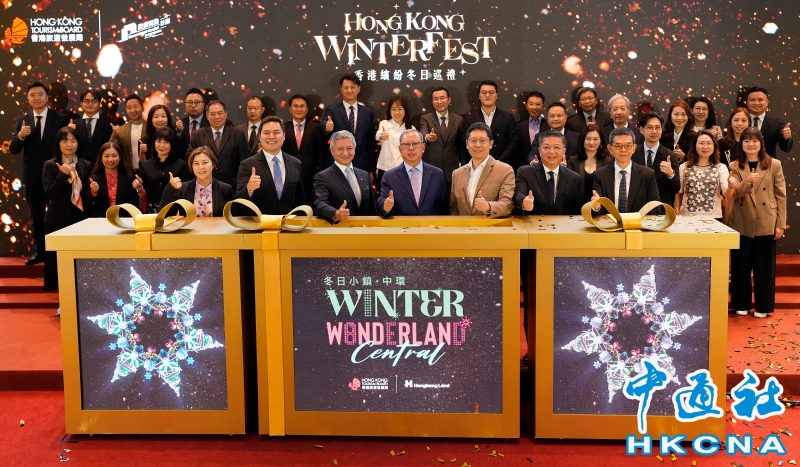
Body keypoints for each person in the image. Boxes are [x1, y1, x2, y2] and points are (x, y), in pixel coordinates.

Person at [728, 127, 786, 318]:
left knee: (764, 267)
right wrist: (747, 181)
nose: (750, 144)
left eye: (754, 140)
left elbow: (781, 196)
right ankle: (741, 303)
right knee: (740, 266)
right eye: (746, 141)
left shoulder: (774, 164)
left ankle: (763, 306)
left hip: (766, 220)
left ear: (761, 143)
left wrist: (780, 224)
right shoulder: (734, 165)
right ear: (741, 144)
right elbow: (735, 193)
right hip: (742, 220)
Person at [9, 81, 69, 265]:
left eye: (40, 94)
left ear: (47, 97)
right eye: (33, 95)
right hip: (33, 176)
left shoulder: (60, 118)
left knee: (58, 214)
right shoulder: (23, 120)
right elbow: (13, 149)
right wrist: (21, 135)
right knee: (36, 215)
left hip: (55, 175)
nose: (37, 98)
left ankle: (58, 251)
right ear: (28, 98)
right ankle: (39, 252)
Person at [42, 127, 91, 290]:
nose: (69, 144)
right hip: (57, 219)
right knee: (57, 259)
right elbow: (50, 194)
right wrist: (62, 174)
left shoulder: (85, 164)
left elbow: (86, 195)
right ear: (58, 144)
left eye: (73, 140)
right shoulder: (50, 165)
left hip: (79, 218)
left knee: (79, 257)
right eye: (65, 141)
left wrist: (93, 192)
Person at [237, 116, 305, 214]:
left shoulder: (296, 164)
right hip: (259, 221)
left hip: (289, 221)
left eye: (276, 132)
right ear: (260, 136)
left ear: (284, 135)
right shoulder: (247, 165)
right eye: (266, 133)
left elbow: (300, 200)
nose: (271, 136)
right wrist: (249, 189)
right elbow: (238, 202)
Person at [377, 129, 448, 216]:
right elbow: (382, 202)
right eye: (406, 144)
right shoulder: (390, 176)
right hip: (401, 224)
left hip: (431, 224)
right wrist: (385, 207)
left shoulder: (437, 174)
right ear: (400, 149)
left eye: (415, 144)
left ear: (423, 147)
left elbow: (444, 208)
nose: (411, 148)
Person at [450, 122, 515, 217]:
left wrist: (488, 206)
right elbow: (454, 208)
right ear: (467, 144)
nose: (477, 145)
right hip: (463, 226)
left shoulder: (505, 170)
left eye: (482, 140)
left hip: (490, 225)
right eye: (473, 140)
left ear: (491, 143)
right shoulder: (457, 173)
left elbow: (508, 205)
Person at [591, 127, 660, 213]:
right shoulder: (600, 175)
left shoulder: (647, 174)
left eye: (628, 146)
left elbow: (655, 209)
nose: (623, 150)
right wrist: (596, 207)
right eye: (618, 146)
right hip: (610, 221)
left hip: (638, 221)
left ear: (634, 148)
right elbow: (598, 210)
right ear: (610, 149)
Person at [313, 130, 376, 224]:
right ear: (332, 151)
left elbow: (371, 208)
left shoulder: (364, 175)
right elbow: (320, 205)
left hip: (364, 229)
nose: (345, 153)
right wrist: (336, 214)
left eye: (349, 148)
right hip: (339, 229)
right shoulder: (323, 177)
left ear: (355, 149)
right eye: (340, 149)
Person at [515, 130, 583, 215]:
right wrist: (524, 202)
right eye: (546, 147)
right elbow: (519, 194)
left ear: (564, 151)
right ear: (539, 150)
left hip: (563, 223)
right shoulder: (525, 172)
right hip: (534, 222)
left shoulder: (574, 178)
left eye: (557, 147)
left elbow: (579, 209)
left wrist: (595, 208)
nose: (551, 151)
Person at [186, 100, 250, 188]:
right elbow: (190, 159)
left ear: (226, 114)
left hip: (231, 185)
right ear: (207, 116)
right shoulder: (198, 135)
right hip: (204, 184)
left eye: (220, 113)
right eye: (212, 114)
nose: (217, 117)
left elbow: (244, 161)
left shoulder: (237, 134)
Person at [322, 73, 376, 174]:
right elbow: (324, 124)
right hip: (338, 164)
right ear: (341, 89)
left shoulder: (367, 112)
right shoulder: (332, 110)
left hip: (361, 165)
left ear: (359, 89)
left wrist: (371, 169)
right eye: (346, 87)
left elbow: (370, 142)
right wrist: (327, 127)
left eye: (352, 87)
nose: (349, 90)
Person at [159, 146, 235, 217]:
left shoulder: (225, 189)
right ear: (192, 166)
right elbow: (164, 216)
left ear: (213, 164)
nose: (201, 167)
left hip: (217, 227)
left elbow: (233, 218)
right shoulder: (183, 189)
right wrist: (171, 188)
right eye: (196, 163)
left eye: (205, 162)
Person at [673, 130, 732, 220]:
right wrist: (676, 213)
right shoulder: (684, 167)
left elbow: (727, 194)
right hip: (687, 217)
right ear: (694, 145)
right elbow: (679, 193)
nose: (705, 147)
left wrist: (731, 187)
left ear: (714, 146)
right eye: (701, 143)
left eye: (709, 143)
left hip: (713, 218)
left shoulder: (721, 167)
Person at [133, 127, 191, 213]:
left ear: (172, 144)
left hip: (175, 210)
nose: (161, 146)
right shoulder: (146, 165)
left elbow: (187, 192)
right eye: (158, 141)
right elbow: (143, 195)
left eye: (166, 142)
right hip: (152, 211)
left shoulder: (181, 164)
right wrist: (140, 188)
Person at [461, 80, 519, 167]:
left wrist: (497, 163)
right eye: (484, 92)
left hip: (501, 165)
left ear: (496, 95)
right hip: (477, 165)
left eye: (491, 92)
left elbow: (513, 143)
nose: (487, 95)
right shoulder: (470, 118)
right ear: (479, 96)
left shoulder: (508, 117)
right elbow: (465, 141)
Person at [419, 87, 465, 194]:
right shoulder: (426, 118)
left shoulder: (459, 119)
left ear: (449, 100)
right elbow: (423, 133)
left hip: (452, 169)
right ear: (432, 101)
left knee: (451, 199)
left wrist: (463, 166)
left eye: (442, 98)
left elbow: (461, 145)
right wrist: (428, 137)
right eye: (436, 99)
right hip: (431, 168)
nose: (439, 102)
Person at [282, 93, 323, 206]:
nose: (299, 109)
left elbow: (320, 153)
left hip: (310, 177)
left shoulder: (316, 127)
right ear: (290, 109)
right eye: (295, 106)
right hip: (288, 177)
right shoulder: (283, 127)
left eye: (302, 106)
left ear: (307, 109)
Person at [633, 112, 680, 206]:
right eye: (650, 127)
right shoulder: (632, 153)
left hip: (661, 207)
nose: (654, 131)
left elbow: (676, 189)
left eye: (658, 127)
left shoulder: (670, 155)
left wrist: (671, 174)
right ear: (641, 130)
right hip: (636, 206)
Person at [87, 142, 138, 217]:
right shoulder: (93, 179)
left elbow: (134, 205)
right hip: (101, 220)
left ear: (120, 157)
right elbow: (88, 205)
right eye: (106, 156)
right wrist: (93, 192)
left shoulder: (129, 178)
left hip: (124, 220)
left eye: (114, 156)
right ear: (101, 158)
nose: (111, 159)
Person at [567, 124, 613, 204]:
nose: (591, 142)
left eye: (595, 139)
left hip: (599, 206)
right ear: (582, 140)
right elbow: (569, 186)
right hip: (576, 206)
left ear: (600, 141)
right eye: (588, 139)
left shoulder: (608, 162)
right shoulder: (573, 160)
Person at [376, 96, 414, 189]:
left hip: (405, 169)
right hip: (385, 168)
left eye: (400, 109)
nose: (397, 113)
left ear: (405, 110)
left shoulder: (411, 129)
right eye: (393, 109)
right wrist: (381, 136)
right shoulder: (384, 124)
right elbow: (378, 135)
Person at [744, 86, 793, 158]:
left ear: (767, 102)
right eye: (752, 100)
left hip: (768, 163)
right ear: (747, 102)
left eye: (760, 100)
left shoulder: (776, 123)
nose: (756, 103)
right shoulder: (738, 121)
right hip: (743, 163)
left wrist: (787, 138)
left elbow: (786, 148)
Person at [70, 89, 113, 167]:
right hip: (79, 167)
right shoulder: (74, 124)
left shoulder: (108, 124)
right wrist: (69, 131)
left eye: (94, 101)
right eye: (87, 101)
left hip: (101, 166)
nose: (90, 104)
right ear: (81, 104)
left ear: (99, 103)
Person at [110, 94, 145, 172]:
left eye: (135, 106)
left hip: (147, 172)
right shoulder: (121, 130)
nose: (132, 110)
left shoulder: (150, 127)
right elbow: (111, 150)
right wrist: (114, 136)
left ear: (142, 108)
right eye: (129, 108)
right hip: (127, 173)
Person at [516, 91, 550, 168]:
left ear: (543, 106)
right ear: (526, 106)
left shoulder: (549, 126)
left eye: (537, 104)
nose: (534, 107)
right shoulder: (518, 126)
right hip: (523, 167)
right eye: (531, 104)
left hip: (545, 167)